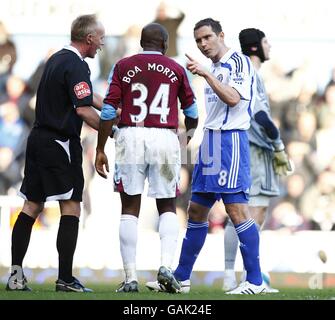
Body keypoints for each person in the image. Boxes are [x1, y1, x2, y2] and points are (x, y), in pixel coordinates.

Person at [154, 18, 267, 295]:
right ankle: (180, 278)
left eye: (207, 38)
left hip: (231, 141)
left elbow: (232, 99)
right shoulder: (214, 68)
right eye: (198, 41)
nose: (203, 44)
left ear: (221, 35)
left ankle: (255, 281)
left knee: (236, 210)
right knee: (195, 209)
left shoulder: (237, 63)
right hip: (211, 141)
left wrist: (205, 74)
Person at [95, 22, 198, 293]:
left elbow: (107, 112)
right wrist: (187, 138)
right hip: (165, 137)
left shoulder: (123, 66)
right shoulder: (176, 69)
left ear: (142, 42)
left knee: (129, 208)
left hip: (131, 135)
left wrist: (100, 147)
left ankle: (130, 278)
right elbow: (193, 110)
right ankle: (165, 266)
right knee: (167, 205)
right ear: (164, 44)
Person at [6, 14, 105, 292]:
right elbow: (83, 109)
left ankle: (15, 276)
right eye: (100, 37)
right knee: (72, 206)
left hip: (37, 139)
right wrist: (113, 132)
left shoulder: (56, 59)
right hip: (60, 143)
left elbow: (86, 96)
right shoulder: (77, 65)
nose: (102, 43)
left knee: (31, 206)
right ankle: (65, 278)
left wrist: (112, 109)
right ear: (89, 38)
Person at [222, 28, 291, 293]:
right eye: (265, 41)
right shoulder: (251, 72)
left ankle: (236, 276)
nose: (269, 46)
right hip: (253, 148)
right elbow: (261, 116)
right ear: (254, 47)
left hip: (240, 145)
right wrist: (278, 145)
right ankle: (249, 279)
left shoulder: (241, 70)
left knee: (239, 213)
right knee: (249, 215)